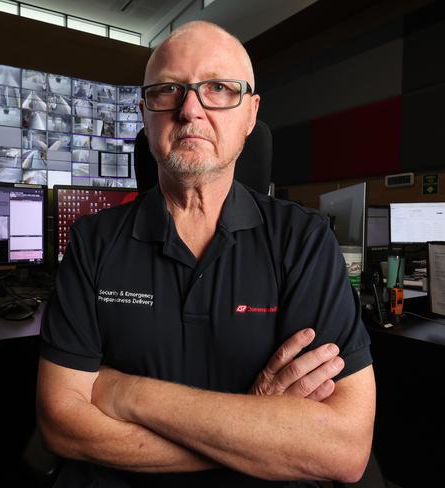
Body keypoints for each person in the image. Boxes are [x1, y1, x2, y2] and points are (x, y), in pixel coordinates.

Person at [37, 21, 375, 487]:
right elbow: (61, 424)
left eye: (218, 88)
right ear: (145, 113)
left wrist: (124, 392)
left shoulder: (304, 241)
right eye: (168, 90)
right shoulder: (92, 241)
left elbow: (344, 449)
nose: (190, 110)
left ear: (251, 114)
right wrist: (260, 430)